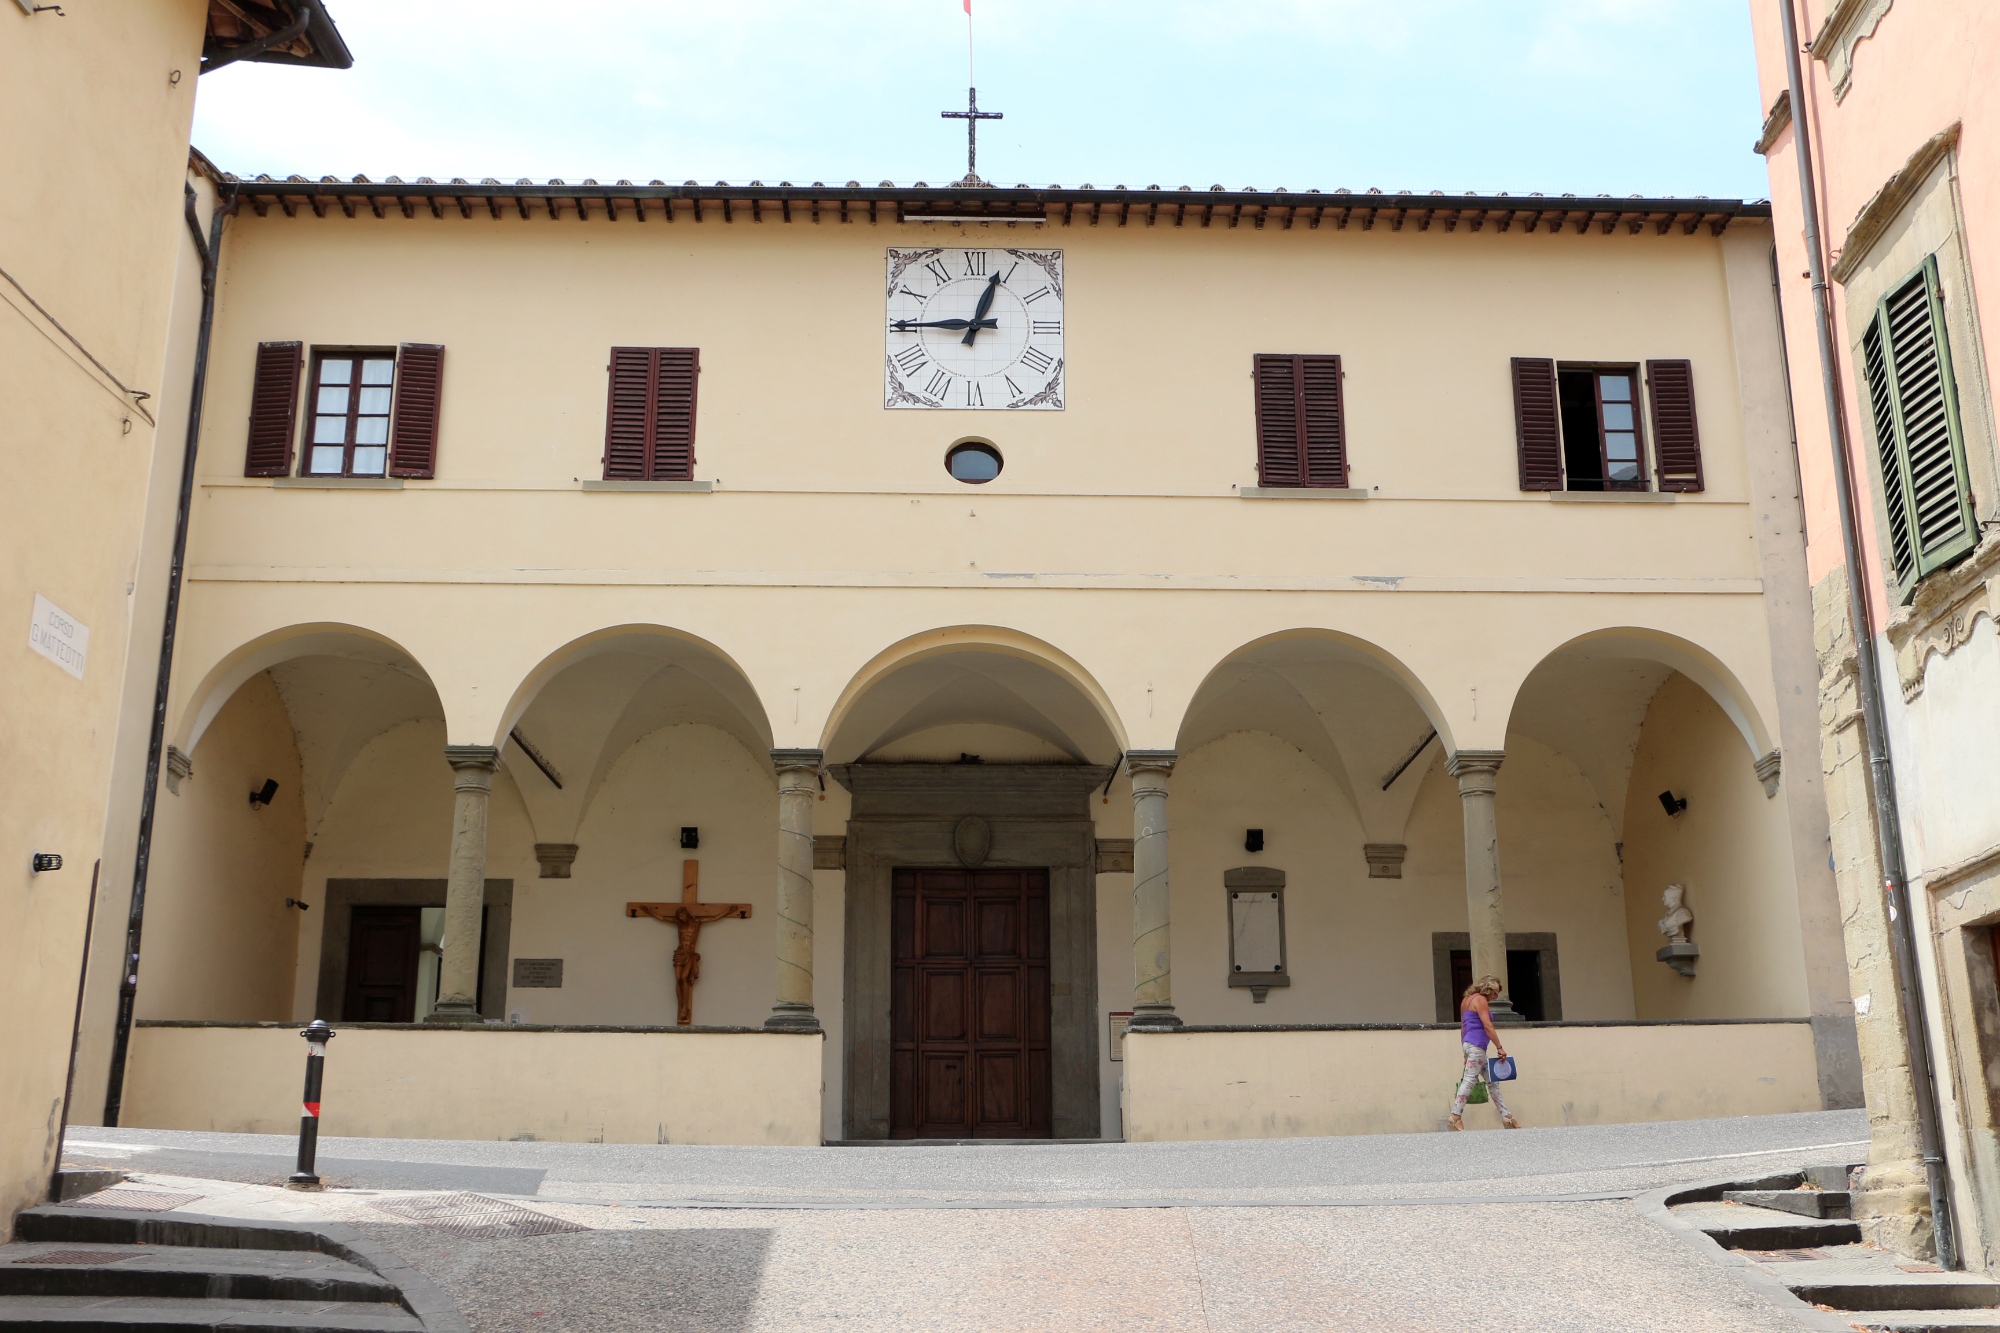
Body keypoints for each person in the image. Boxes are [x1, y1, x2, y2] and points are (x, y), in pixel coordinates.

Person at [1450, 975, 1520, 1130]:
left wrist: (1464, 1051)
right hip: (1477, 1045)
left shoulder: (1466, 1000)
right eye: (1494, 993)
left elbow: (1463, 1027)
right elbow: (1488, 1026)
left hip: (1470, 1044)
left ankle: (1507, 1116)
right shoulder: (1480, 1000)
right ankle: (1455, 1116)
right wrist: (1499, 1047)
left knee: (1493, 1082)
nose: (1495, 997)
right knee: (1469, 1080)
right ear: (1488, 989)